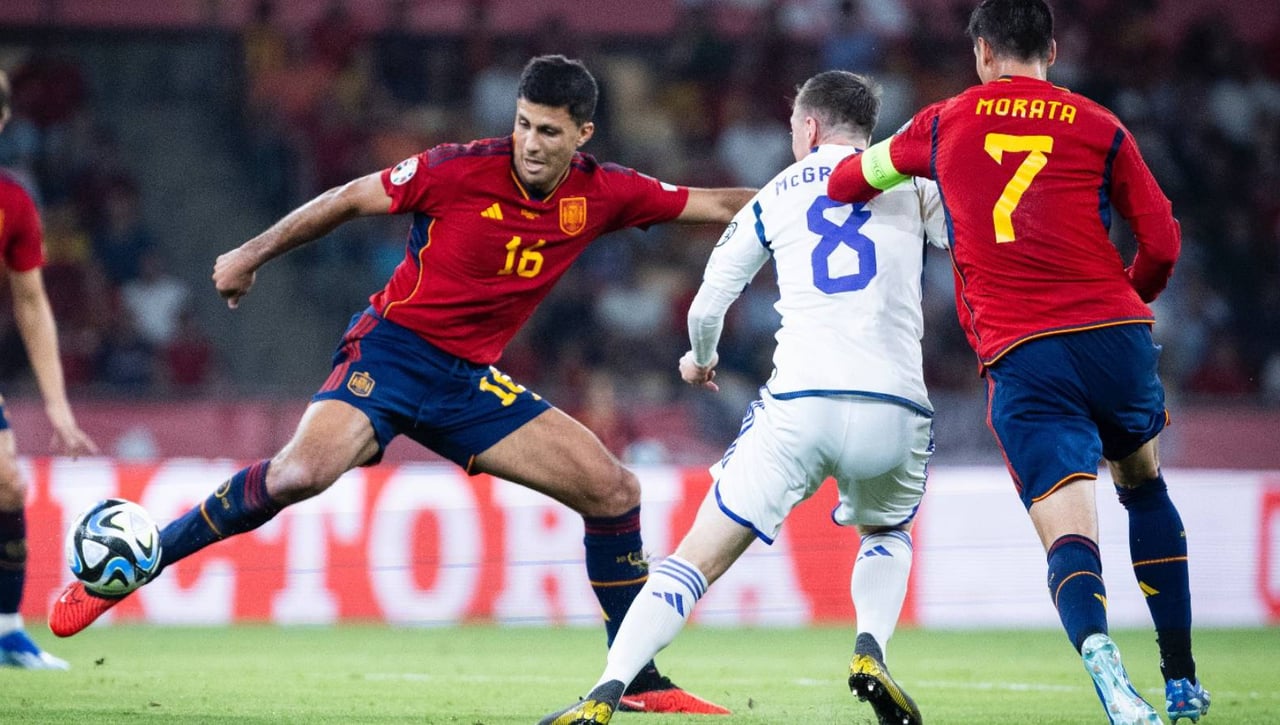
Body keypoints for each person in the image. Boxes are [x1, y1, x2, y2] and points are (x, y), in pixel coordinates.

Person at [48, 54, 750, 715]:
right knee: (299, 473)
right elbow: (353, 196)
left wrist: (821, 199)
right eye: (523, 123)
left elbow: (718, 206)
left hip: (467, 383)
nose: (530, 142)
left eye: (549, 131)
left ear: (583, 134)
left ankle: (636, 677)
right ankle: (136, 569)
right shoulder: (458, 169)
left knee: (614, 489)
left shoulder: (605, 191)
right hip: (391, 354)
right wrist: (250, 253)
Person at [826, 2, 1208, 723]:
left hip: (1025, 354)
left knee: (1069, 528)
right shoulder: (1101, 126)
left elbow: (849, 183)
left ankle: (1103, 661)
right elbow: (1161, 238)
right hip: (1115, 333)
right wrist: (1130, 303)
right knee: (1144, 486)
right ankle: (1183, 680)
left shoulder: (941, 123)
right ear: (1053, 51)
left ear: (981, 52)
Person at [540, 70, 946, 725]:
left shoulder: (779, 192)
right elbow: (974, 245)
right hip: (896, 405)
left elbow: (710, 300)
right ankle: (870, 645)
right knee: (888, 530)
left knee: (690, 563)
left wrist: (699, 359)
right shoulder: (912, 184)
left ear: (809, 127)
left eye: (793, 127)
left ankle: (606, 691)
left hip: (801, 405)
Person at [0, 69, 99, 669]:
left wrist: (58, 406)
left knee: (9, 484)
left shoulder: (12, 201)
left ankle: (7, 630)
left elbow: (31, 303)